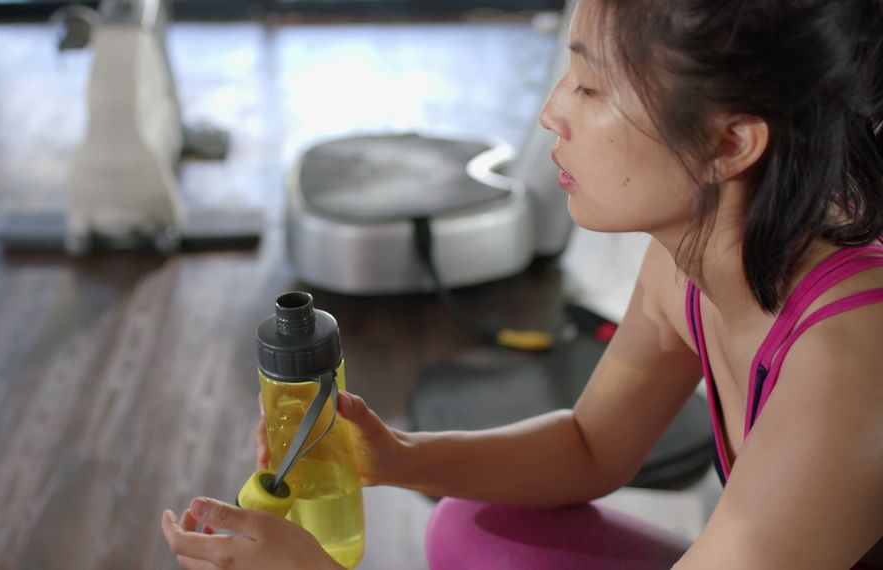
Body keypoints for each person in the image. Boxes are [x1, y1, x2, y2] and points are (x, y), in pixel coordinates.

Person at [161, 0, 883, 567]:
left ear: (729, 143)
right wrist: (397, 457)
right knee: (476, 526)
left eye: (592, 86)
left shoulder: (846, 370)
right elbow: (591, 447)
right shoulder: (687, 262)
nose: (552, 112)